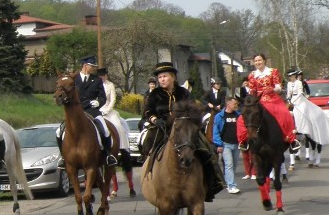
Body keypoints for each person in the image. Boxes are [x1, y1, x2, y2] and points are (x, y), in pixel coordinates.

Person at [142, 61, 225, 201]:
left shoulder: (183, 92)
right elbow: (147, 111)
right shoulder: (154, 94)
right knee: (146, 145)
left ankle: (212, 183)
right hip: (162, 127)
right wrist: (155, 120)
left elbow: (193, 109)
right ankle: (149, 179)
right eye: (160, 77)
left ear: (173, 77)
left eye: (165, 76)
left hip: (184, 127)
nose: (162, 79)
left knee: (206, 148)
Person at [237, 53, 301, 154]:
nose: (258, 62)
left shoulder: (273, 72)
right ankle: (244, 141)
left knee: (285, 114)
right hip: (258, 101)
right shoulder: (252, 75)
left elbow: (279, 87)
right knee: (242, 119)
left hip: (273, 99)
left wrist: (272, 89)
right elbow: (252, 91)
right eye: (256, 61)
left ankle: (291, 140)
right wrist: (250, 95)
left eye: (260, 60)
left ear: (264, 61)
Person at [285, 67, 329, 168]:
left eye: (292, 76)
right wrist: (289, 100)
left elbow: (300, 93)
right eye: (289, 76)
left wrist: (294, 102)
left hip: (300, 100)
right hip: (292, 101)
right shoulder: (289, 84)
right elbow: (288, 94)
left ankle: (303, 127)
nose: (290, 77)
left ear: (295, 75)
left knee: (302, 110)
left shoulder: (299, 82)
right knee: (288, 113)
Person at [98, 67, 136, 197]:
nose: (102, 77)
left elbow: (113, 99)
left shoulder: (110, 85)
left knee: (118, 126)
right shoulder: (95, 85)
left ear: (106, 76)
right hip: (98, 112)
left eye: (104, 75)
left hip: (109, 111)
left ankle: (123, 146)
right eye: (100, 76)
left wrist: (107, 110)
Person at [75, 56, 115, 165]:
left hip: (92, 110)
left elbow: (103, 97)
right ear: (85, 65)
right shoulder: (74, 79)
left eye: (94, 66)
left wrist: (98, 103)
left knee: (105, 131)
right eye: (92, 66)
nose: (93, 68)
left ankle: (108, 155)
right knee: (59, 132)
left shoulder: (96, 80)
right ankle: (63, 158)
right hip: (76, 112)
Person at [213, 96, 242, 194]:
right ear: (228, 104)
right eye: (234, 104)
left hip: (236, 144)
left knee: (233, 165)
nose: (236, 106)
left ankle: (228, 182)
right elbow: (215, 131)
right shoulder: (219, 116)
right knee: (228, 165)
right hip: (225, 144)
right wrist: (218, 144)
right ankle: (231, 185)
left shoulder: (239, 115)